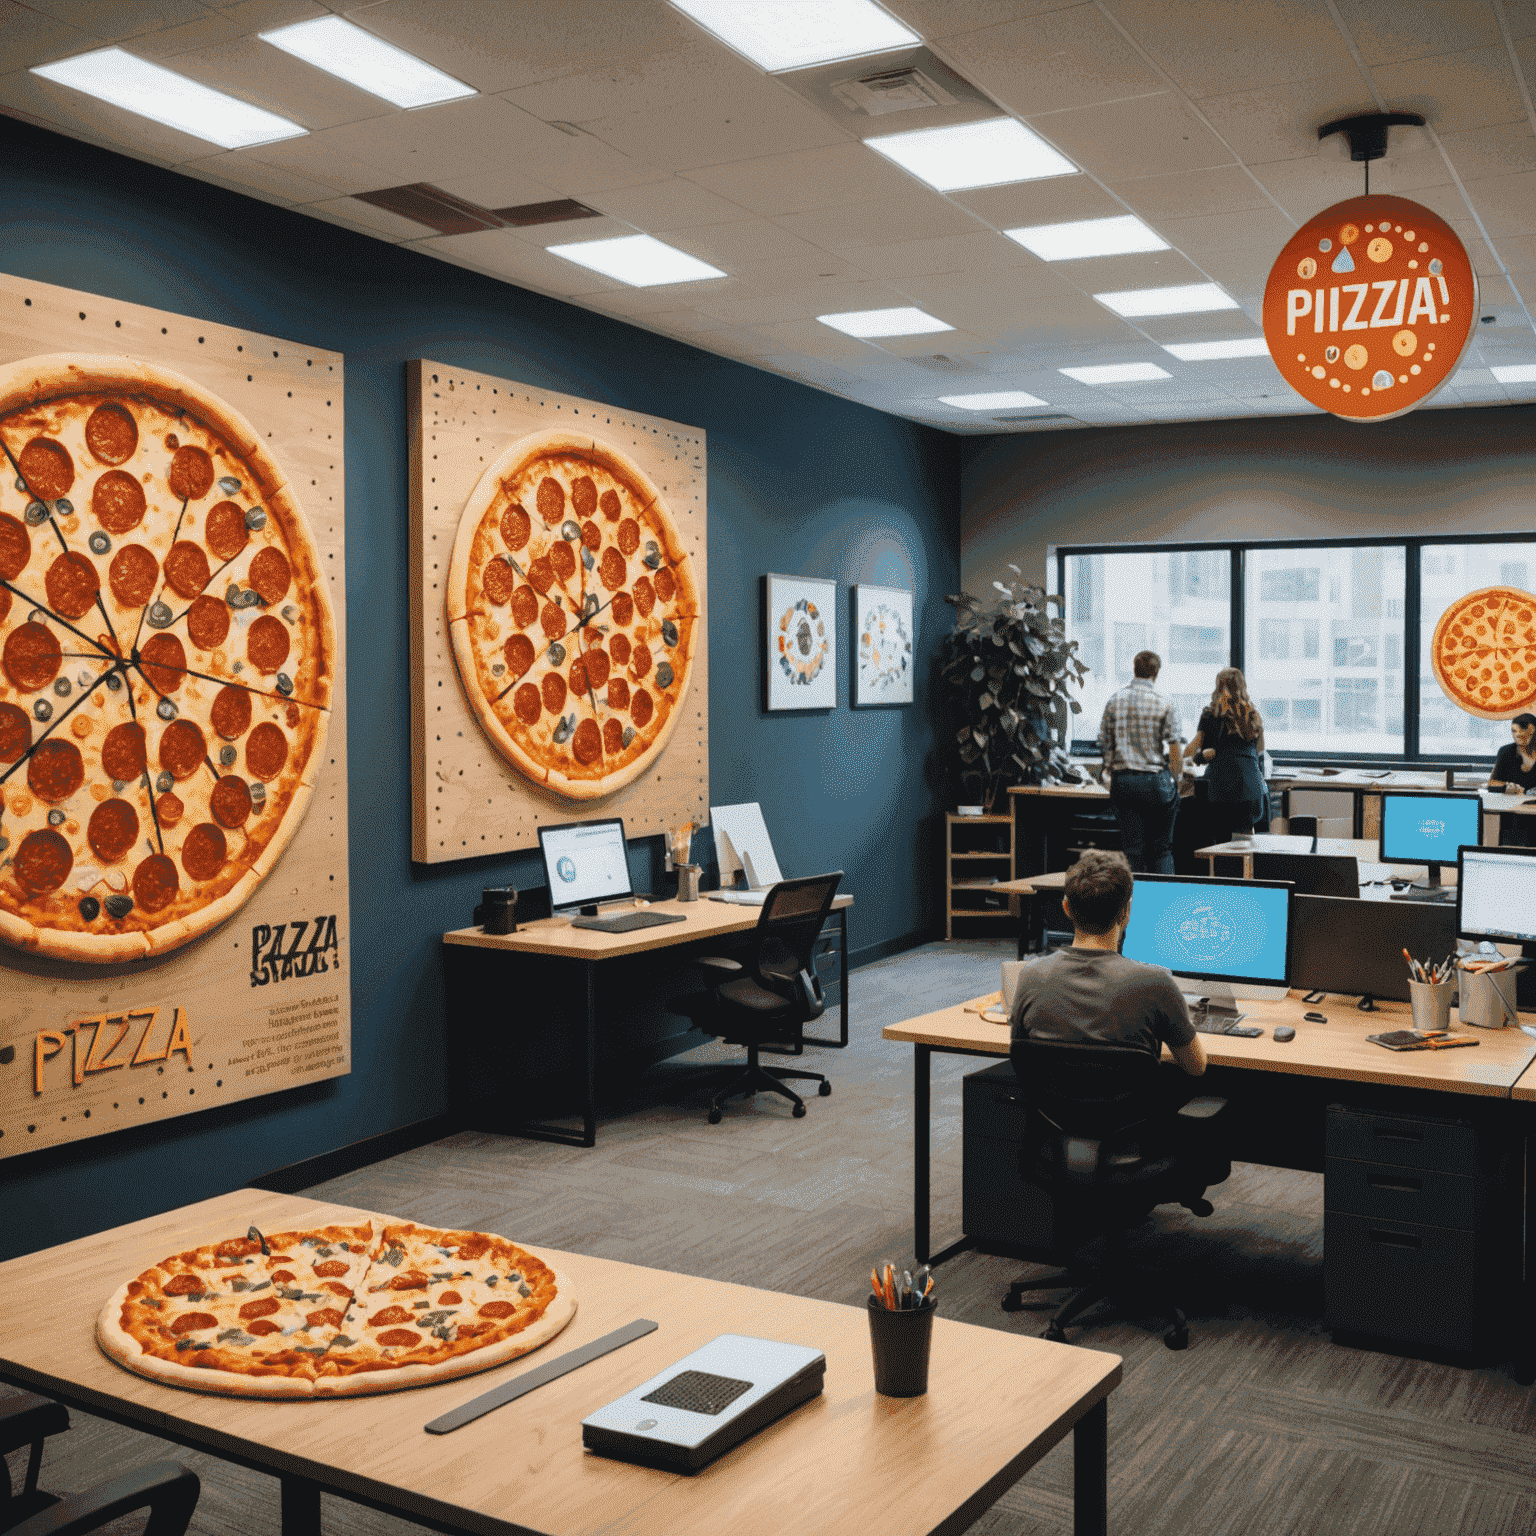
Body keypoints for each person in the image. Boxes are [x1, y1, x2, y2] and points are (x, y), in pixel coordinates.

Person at [1010, 849, 1206, 1074]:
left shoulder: (1031, 976)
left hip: (1050, 1109)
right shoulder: (1156, 983)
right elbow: (1196, 1066)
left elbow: (1020, 1054)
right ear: (1127, 912)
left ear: (1066, 908)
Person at [1098, 649, 1182, 873]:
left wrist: (1109, 770)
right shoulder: (1165, 703)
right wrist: (1176, 780)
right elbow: (1174, 748)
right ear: (1156, 672)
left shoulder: (1115, 701)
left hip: (1124, 782)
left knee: (1133, 850)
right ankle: (1164, 902)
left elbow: (1105, 742)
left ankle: (1133, 904)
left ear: (1134, 669)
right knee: (1162, 849)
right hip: (1154, 783)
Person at [1187, 668, 1268, 842]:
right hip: (1251, 788)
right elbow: (1260, 750)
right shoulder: (1253, 715)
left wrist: (1200, 757)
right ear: (1242, 686)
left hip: (1222, 789)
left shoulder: (1211, 715)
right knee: (1243, 847)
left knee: (1221, 846)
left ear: (1218, 688)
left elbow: (1194, 752)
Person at [1487, 713, 1536, 847]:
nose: (1517, 736)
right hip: (1512, 816)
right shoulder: (1506, 751)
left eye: (1522, 733)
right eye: (1514, 731)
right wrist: (1506, 786)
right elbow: (1492, 784)